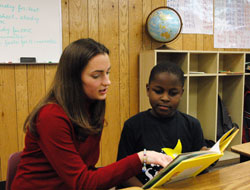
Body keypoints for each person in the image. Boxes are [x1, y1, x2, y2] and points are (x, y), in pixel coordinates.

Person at [11, 38, 172, 190]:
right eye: (97, 75)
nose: (107, 81)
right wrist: (141, 158)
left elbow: (88, 171)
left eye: (108, 72)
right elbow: (83, 183)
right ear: (73, 79)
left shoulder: (93, 106)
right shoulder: (51, 116)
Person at [117, 61, 207, 187]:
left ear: (181, 93)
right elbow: (122, 173)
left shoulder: (192, 125)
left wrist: (207, 157)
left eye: (173, 93)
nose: (165, 98)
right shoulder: (132, 126)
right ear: (148, 90)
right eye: (158, 91)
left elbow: (200, 171)